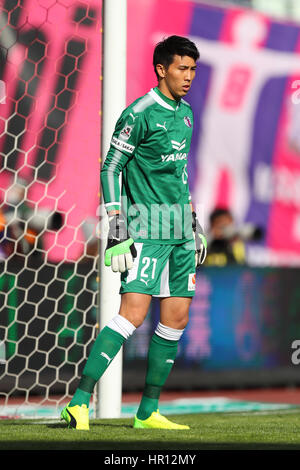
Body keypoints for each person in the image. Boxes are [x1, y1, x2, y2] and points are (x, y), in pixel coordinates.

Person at [61, 35, 207, 431]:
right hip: (146, 229)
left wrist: (194, 224)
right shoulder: (138, 112)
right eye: (182, 68)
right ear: (162, 69)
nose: (189, 76)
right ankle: (78, 402)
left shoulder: (187, 113)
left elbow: (179, 174)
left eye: (193, 68)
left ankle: (147, 411)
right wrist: (118, 227)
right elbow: (111, 167)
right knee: (133, 315)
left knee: (176, 317)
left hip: (179, 231)